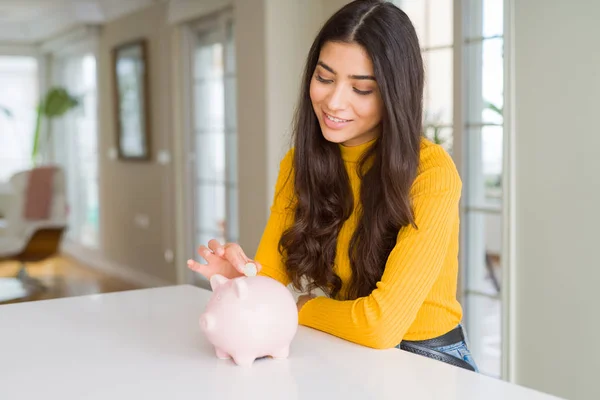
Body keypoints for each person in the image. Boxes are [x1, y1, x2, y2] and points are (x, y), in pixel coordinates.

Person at [187, 0, 479, 372]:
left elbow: (381, 326)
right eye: (324, 78)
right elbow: (271, 285)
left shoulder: (431, 172)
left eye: (361, 89)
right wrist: (243, 284)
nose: (334, 101)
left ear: (395, 94)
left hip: (428, 358)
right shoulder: (300, 163)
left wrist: (303, 307)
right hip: (344, 347)